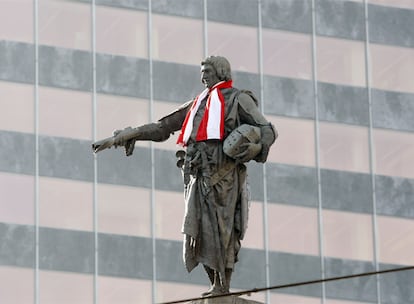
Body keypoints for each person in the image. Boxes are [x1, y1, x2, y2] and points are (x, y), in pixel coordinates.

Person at [108, 56, 277, 296]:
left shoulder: (239, 99)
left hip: (224, 175)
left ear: (220, 72)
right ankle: (215, 285)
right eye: (202, 72)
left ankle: (222, 287)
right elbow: (162, 127)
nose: (203, 76)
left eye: (207, 71)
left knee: (223, 230)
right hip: (198, 176)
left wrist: (256, 149)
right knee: (197, 230)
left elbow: (267, 129)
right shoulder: (197, 104)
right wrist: (132, 133)